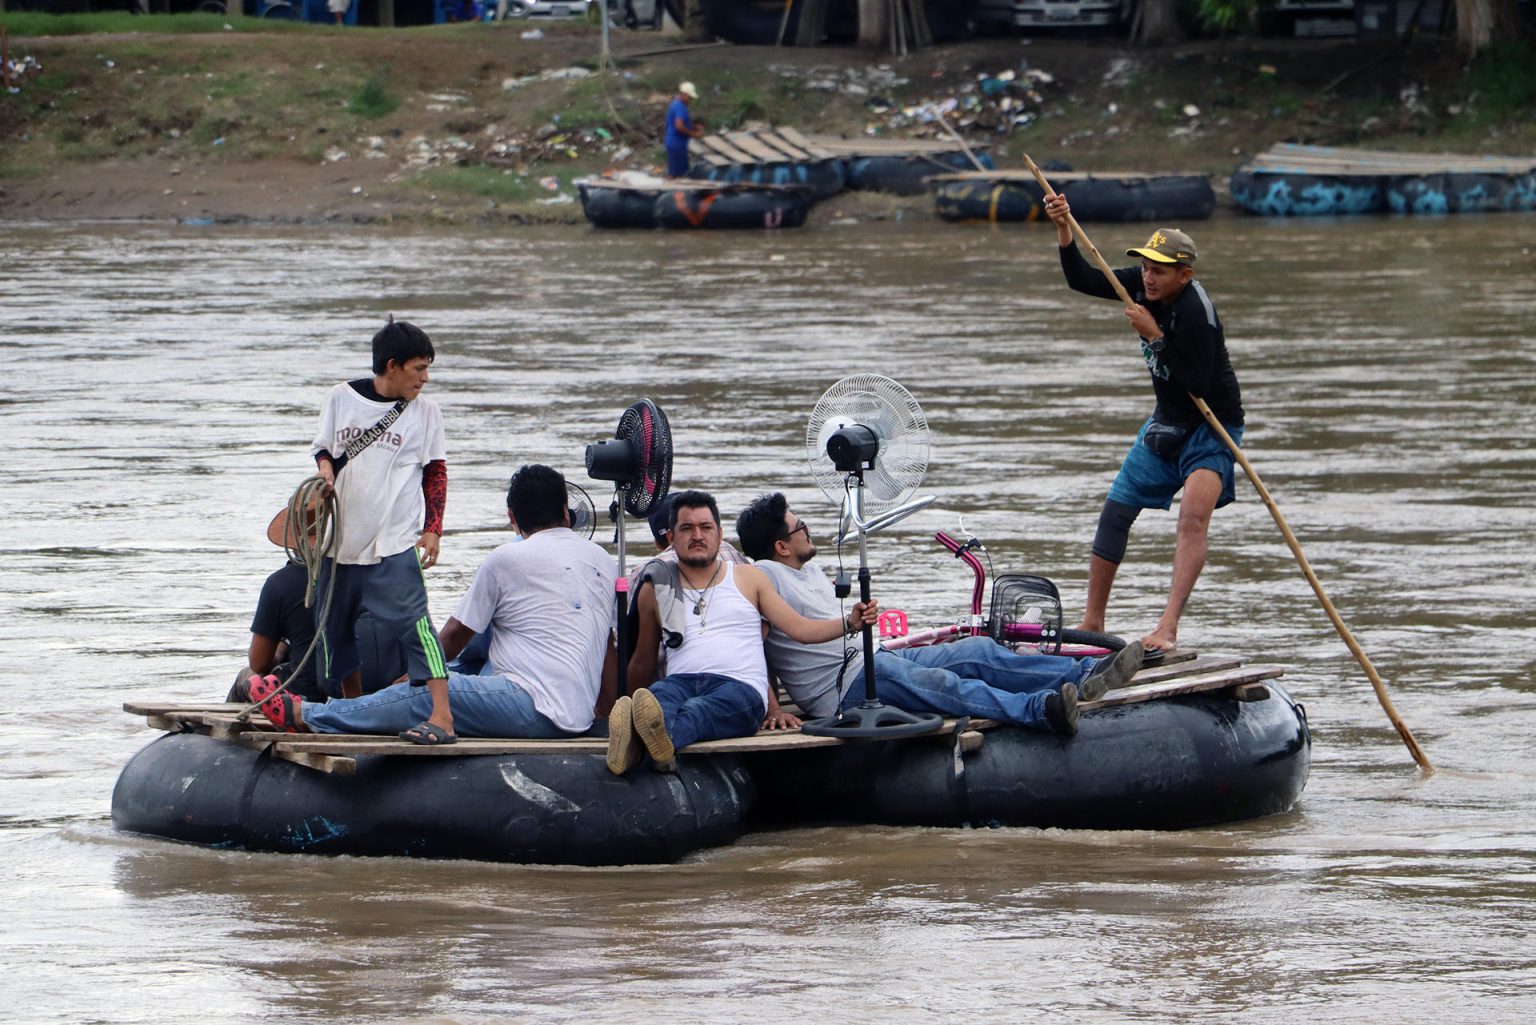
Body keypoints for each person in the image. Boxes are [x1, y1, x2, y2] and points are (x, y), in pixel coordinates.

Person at [252, 464, 618, 742]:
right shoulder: (602, 559)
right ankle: (369, 704)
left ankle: (310, 715)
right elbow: (609, 646)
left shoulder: (506, 559)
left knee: (434, 690)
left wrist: (419, 675)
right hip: (576, 709)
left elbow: (457, 633)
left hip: (536, 709)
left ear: (512, 518)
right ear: (566, 513)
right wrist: (602, 712)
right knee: (462, 668)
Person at [735, 493, 1143, 738]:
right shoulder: (762, 576)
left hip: (873, 658)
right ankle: (1040, 710)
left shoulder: (808, 568)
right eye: (799, 526)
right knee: (943, 683)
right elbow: (755, 644)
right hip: (841, 686)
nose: (808, 530)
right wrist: (772, 707)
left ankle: (1084, 675)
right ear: (781, 546)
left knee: (978, 650)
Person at [1045, 195, 1245, 656]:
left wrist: (1153, 335)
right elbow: (1083, 279)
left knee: (1192, 520)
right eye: (1146, 268)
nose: (1148, 277)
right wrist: (1063, 230)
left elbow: (1195, 381)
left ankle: (1167, 627)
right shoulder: (1143, 284)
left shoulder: (1198, 315)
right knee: (1116, 511)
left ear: (1184, 275)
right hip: (1165, 423)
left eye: (1159, 270)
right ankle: (1092, 620)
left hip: (1212, 428)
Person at [608, 490, 879, 775]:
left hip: (739, 688)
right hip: (681, 682)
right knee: (659, 696)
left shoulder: (749, 578)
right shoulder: (656, 587)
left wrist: (849, 622)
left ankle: (643, 744)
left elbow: (800, 629)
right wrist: (620, 705)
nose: (697, 535)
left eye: (705, 527)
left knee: (700, 711)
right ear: (672, 538)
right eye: (686, 528)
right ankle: (649, 741)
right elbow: (644, 659)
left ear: (719, 534)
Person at [309, 318, 453, 744]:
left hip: (393, 541)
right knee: (334, 631)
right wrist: (324, 475)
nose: (425, 379)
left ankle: (442, 716)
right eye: (418, 369)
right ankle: (353, 708)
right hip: (340, 542)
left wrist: (433, 529)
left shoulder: (426, 412)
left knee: (416, 626)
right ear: (392, 366)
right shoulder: (341, 398)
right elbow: (324, 450)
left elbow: (436, 471)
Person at [663, 81, 704, 179]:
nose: (690, 100)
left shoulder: (676, 104)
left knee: (681, 171)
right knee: (674, 173)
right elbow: (679, 126)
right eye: (690, 98)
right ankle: (670, 191)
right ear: (684, 95)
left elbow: (679, 123)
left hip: (676, 142)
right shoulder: (680, 107)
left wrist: (693, 126)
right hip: (676, 142)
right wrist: (694, 134)